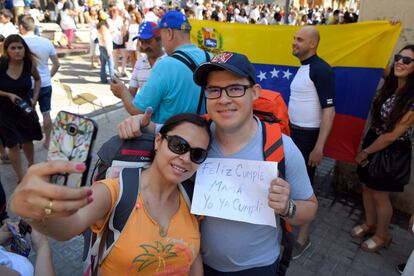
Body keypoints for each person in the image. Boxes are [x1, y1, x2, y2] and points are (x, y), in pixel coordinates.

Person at [118, 51, 318, 275]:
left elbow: (310, 208)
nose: (223, 99)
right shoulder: (195, 136)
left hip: (257, 267)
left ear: (255, 93)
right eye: (214, 90)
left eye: (235, 88)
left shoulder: (282, 147)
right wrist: (136, 122)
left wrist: (287, 207)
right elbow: (154, 128)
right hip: (194, 262)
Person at [9, 113, 211, 275]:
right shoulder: (115, 190)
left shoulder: (192, 197)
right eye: (178, 145)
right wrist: (36, 212)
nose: (185, 158)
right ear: (158, 141)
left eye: (197, 154)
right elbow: (68, 227)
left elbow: (193, 261)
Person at [353, 45, 414, 252]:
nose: (400, 62)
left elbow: (391, 136)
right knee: (366, 186)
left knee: (380, 195)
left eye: (407, 61)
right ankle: (370, 224)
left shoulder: (412, 100)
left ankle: (382, 235)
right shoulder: (392, 84)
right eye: (399, 57)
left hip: (390, 150)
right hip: (374, 140)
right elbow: (380, 62)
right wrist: (388, 32)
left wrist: (366, 151)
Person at [288, 26, 335, 259]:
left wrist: (319, 146)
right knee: (290, 180)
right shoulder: (303, 68)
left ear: (313, 44)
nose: (294, 42)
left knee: (307, 187)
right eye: (294, 38)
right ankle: (288, 224)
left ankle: (303, 238)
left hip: (309, 138)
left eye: (299, 39)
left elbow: (329, 111)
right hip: (294, 135)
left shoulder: (321, 70)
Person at [113, 10, 211, 123]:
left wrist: (122, 91)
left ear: (169, 33)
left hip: (171, 137)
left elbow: (137, 110)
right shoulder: (210, 57)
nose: (162, 41)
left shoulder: (165, 65)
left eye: (161, 35)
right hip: (203, 132)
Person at [0, 34, 42, 182]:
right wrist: (8, 94)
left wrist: (35, 98)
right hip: (4, 110)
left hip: (24, 107)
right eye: (13, 48)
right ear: (7, 50)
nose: (17, 51)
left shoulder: (29, 64)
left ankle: (31, 166)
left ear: (24, 49)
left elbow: (37, 79)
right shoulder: (1, 64)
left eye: (20, 47)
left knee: (27, 139)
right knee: (12, 144)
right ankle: (21, 176)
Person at [19, 15, 60, 149]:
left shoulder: (19, 42)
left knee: (25, 113)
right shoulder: (46, 42)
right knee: (46, 113)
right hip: (45, 84)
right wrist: (48, 76)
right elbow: (56, 64)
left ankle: (25, 141)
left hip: (25, 85)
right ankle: (48, 140)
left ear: (21, 27)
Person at [111, 21, 165, 102]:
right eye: (141, 42)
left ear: (159, 40)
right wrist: (121, 91)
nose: (144, 46)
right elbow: (131, 94)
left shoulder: (170, 61)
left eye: (148, 42)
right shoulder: (140, 63)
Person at [96, 17, 115, 84]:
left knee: (103, 64)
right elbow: (105, 38)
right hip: (106, 47)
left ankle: (103, 79)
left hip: (101, 46)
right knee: (110, 63)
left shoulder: (99, 27)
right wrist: (108, 50)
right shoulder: (103, 27)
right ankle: (113, 79)